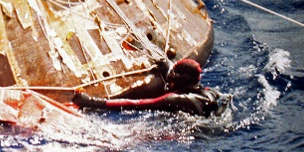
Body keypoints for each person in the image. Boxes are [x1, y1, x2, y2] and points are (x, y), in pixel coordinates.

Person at [72, 58, 223, 116]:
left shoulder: (175, 99)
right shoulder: (210, 92)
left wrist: (90, 102)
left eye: (172, 76)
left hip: (199, 133)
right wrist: (166, 71)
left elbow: (136, 105)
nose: (169, 78)